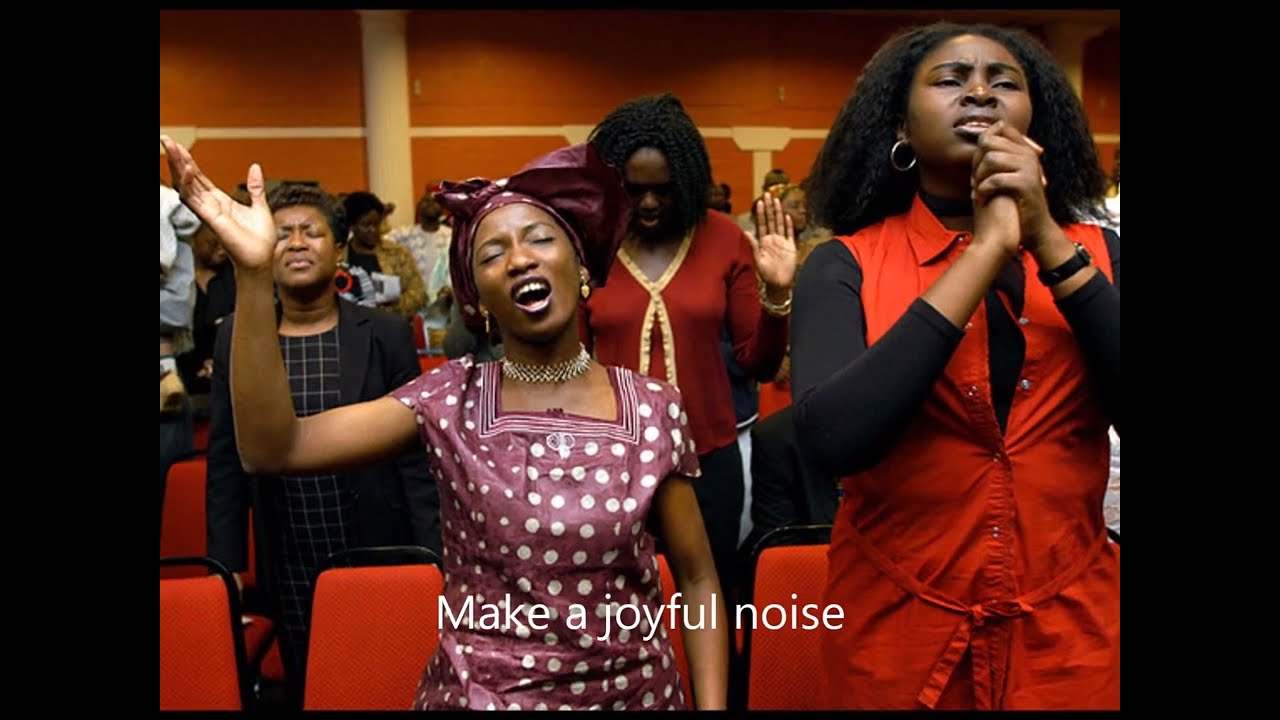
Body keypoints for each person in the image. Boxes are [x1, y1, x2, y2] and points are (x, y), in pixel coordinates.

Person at [161, 136, 729, 711]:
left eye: (539, 239)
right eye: (492, 254)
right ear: (477, 301)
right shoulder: (450, 398)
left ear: (580, 267)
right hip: (483, 699)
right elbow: (273, 448)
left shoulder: (653, 407)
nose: (520, 259)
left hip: (636, 699)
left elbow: (699, 580)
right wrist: (254, 273)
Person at [794, 23, 1120, 709]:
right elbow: (833, 441)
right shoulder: (843, 264)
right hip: (899, 638)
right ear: (900, 129)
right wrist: (983, 251)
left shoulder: (1100, 255)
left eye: (1004, 82)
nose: (979, 92)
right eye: (950, 80)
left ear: (1036, 125)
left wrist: (1046, 240)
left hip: (1071, 639)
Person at [203, 183, 441, 705]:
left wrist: (433, 556)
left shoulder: (384, 334)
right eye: (282, 234)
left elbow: (415, 459)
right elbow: (225, 460)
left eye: (310, 232)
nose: (296, 243)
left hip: (377, 543)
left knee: (386, 677)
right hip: (288, 547)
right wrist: (225, 569)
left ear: (338, 248)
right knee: (308, 682)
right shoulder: (239, 337)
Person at [584, 93, 795, 604]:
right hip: (609, 463)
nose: (649, 204)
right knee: (618, 610)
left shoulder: (723, 239)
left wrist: (778, 296)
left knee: (709, 599)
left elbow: (758, 362)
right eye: (634, 190)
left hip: (709, 463)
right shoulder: (589, 244)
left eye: (664, 189)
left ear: (687, 179)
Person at [342, 190, 429, 319]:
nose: (373, 230)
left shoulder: (397, 253)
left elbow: (420, 295)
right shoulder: (339, 257)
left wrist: (391, 307)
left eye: (377, 224)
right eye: (366, 225)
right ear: (352, 226)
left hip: (391, 323)